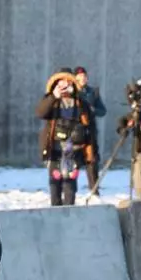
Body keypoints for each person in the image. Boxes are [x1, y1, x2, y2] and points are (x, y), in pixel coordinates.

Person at [36, 70, 93, 206]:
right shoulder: (51, 100)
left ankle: (69, 207)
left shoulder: (80, 102)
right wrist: (53, 96)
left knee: (70, 181)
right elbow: (41, 113)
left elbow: (89, 123)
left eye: (68, 83)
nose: (65, 87)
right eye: (61, 84)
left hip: (73, 147)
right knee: (55, 179)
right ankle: (55, 207)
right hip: (54, 145)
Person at [74, 67, 107, 190]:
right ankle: (71, 190)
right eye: (80, 76)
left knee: (92, 161)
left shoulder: (93, 92)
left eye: (84, 76)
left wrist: (93, 110)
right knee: (73, 162)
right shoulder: (71, 91)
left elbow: (103, 111)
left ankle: (94, 189)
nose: (83, 79)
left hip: (90, 131)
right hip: (74, 131)